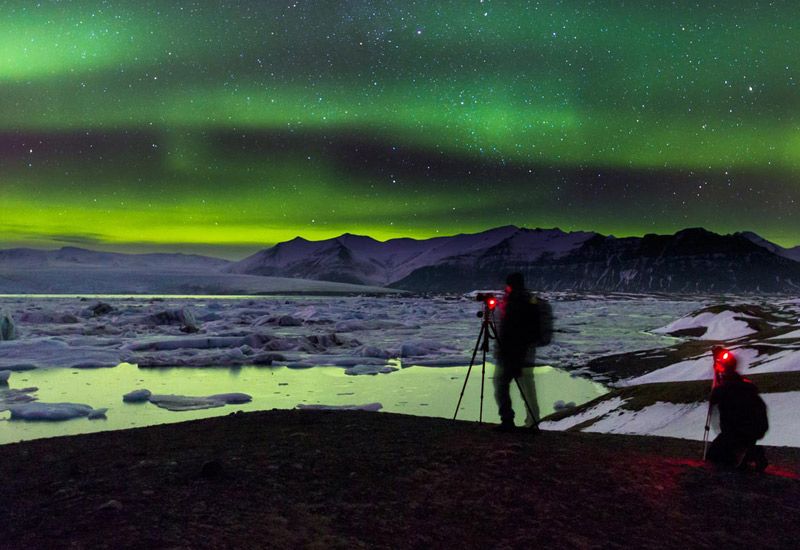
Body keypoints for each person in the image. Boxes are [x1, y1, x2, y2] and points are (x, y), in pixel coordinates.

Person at [706, 347, 769, 471]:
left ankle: (751, 454)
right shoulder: (747, 386)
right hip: (754, 430)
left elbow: (714, 399)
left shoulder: (725, 388)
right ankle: (750, 453)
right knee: (733, 450)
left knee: (715, 458)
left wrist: (717, 378)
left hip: (735, 432)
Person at [493, 272, 540, 432]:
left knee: (501, 384)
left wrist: (504, 351)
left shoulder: (514, 301)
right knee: (528, 389)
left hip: (514, 354)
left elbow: (510, 331)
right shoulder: (528, 299)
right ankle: (533, 422)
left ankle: (508, 420)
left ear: (510, 284)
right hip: (526, 353)